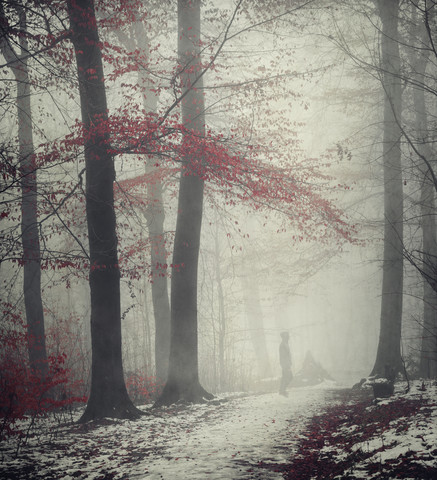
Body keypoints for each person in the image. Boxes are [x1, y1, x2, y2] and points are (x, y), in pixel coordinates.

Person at [279, 331, 292, 396]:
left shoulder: (285, 344)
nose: (288, 337)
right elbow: (283, 356)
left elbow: (288, 355)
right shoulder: (283, 345)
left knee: (286, 377)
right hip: (285, 364)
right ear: (283, 337)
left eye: (288, 336)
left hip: (286, 364)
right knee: (289, 377)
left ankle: (282, 391)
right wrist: (286, 365)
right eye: (286, 336)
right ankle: (282, 391)